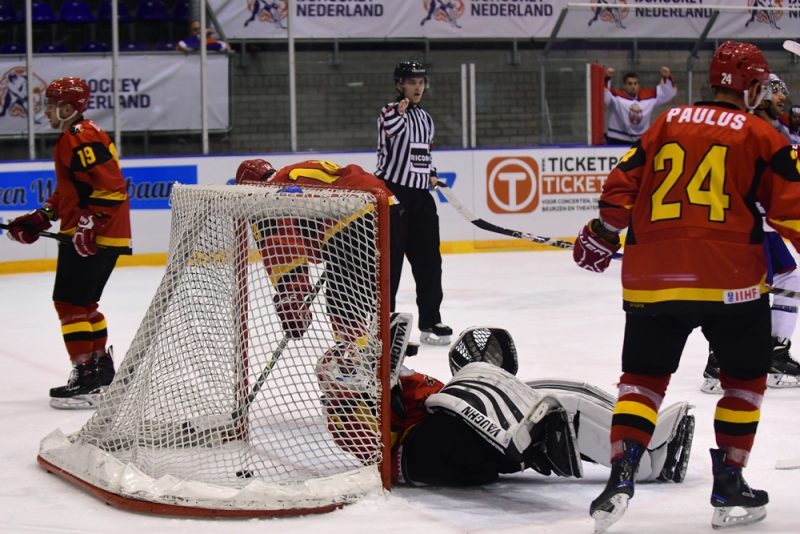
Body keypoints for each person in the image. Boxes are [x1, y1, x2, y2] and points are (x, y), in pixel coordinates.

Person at [573, 41, 800, 532]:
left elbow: (621, 185)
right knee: (743, 381)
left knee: (642, 381)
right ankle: (729, 484)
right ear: (752, 85)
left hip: (653, 278)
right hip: (730, 281)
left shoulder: (667, 123)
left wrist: (605, 232)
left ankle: (620, 478)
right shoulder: (763, 135)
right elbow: (789, 210)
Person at [322, 319, 694, 488]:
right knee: (465, 390)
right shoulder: (347, 416)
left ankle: (645, 452)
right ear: (352, 379)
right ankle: (515, 438)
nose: (400, 363)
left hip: (455, 450)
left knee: (556, 399)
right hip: (429, 460)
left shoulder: (400, 384)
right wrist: (384, 391)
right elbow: (379, 449)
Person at [5, 77, 132, 410]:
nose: (46, 111)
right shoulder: (76, 136)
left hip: (93, 234)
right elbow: (70, 191)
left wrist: (90, 223)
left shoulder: (80, 137)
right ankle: (100, 371)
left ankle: (85, 374)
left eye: (51, 105)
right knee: (85, 305)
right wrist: (41, 217)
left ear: (68, 108)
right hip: (99, 232)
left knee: (69, 304)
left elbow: (112, 187)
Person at [702, 73, 800, 393]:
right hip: (744, 225)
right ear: (759, 95)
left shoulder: (765, 128)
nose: (782, 99)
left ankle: (773, 354)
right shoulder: (747, 127)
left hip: (761, 223)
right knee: (742, 291)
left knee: (788, 277)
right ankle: (719, 363)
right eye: (776, 92)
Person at [235, 158, 398, 345]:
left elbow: (280, 244)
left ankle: (356, 355)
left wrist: (292, 295)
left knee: (342, 300)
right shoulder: (293, 172)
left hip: (357, 217)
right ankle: (383, 349)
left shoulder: (267, 194)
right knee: (369, 291)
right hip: (389, 207)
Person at [375, 60, 451, 346]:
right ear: (399, 85)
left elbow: (423, 155)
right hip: (394, 195)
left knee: (430, 262)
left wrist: (431, 174)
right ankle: (386, 322)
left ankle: (431, 320)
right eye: (411, 82)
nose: (418, 87)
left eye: (421, 82)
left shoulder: (426, 119)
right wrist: (399, 111)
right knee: (390, 264)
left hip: (421, 197)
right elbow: (391, 131)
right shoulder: (389, 112)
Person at [603, 65, 676, 145]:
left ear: (638, 85)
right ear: (624, 86)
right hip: (617, 139)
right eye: (629, 84)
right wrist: (606, 78)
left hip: (641, 140)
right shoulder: (616, 96)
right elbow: (604, 95)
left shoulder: (649, 96)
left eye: (635, 83)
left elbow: (668, 94)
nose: (633, 86)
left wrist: (667, 77)